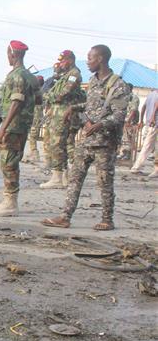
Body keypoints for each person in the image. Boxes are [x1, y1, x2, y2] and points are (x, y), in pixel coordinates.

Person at [43, 45, 131, 230]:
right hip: (87, 141)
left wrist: (98, 125)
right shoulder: (92, 81)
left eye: (90, 58)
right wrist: (74, 108)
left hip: (104, 143)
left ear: (100, 59)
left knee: (104, 182)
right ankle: (65, 216)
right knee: (75, 178)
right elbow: (91, 105)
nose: (88, 62)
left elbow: (119, 115)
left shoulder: (118, 85)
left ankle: (107, 219)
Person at [0, 40, 37, 217]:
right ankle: (9, 200)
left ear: (14, 54)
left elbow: (16, 102)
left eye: (8, 54)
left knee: (8, 163)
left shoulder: (17, 76)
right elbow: (39, 98)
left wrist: (3, 128)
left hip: (14, 126)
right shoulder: (29, 76)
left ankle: (10, 202)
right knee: (12, 161)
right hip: (22, 125)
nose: (8, 58)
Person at [40, 51, 84, 189]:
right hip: (57, 113)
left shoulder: (74, 75)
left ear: (70, 60)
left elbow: (63, 93)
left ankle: (57, 177)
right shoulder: (64, 75)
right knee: (59, 144)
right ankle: (64, 175)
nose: (61, 64)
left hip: (63, 113)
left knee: (57, 144)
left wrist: (48, 96)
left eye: (63, 61)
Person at [130, 87, 158, 178]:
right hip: (155, 123)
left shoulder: (151, 94)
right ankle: (154, 169)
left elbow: (143, 107)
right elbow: (156, 106)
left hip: (150, 123)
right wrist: (153, 117)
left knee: (147, 146)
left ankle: (136, 167)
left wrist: (141, 120)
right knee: (149, 146)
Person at [119, 91, 140, 161]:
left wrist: (128, 121)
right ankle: (124, 153)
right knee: (124, 139)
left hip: (131, 122)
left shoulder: (134, 98)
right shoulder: (125, 97)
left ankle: (128, 155)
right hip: (125, 122)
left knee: (129, 139)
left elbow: (133, 110)